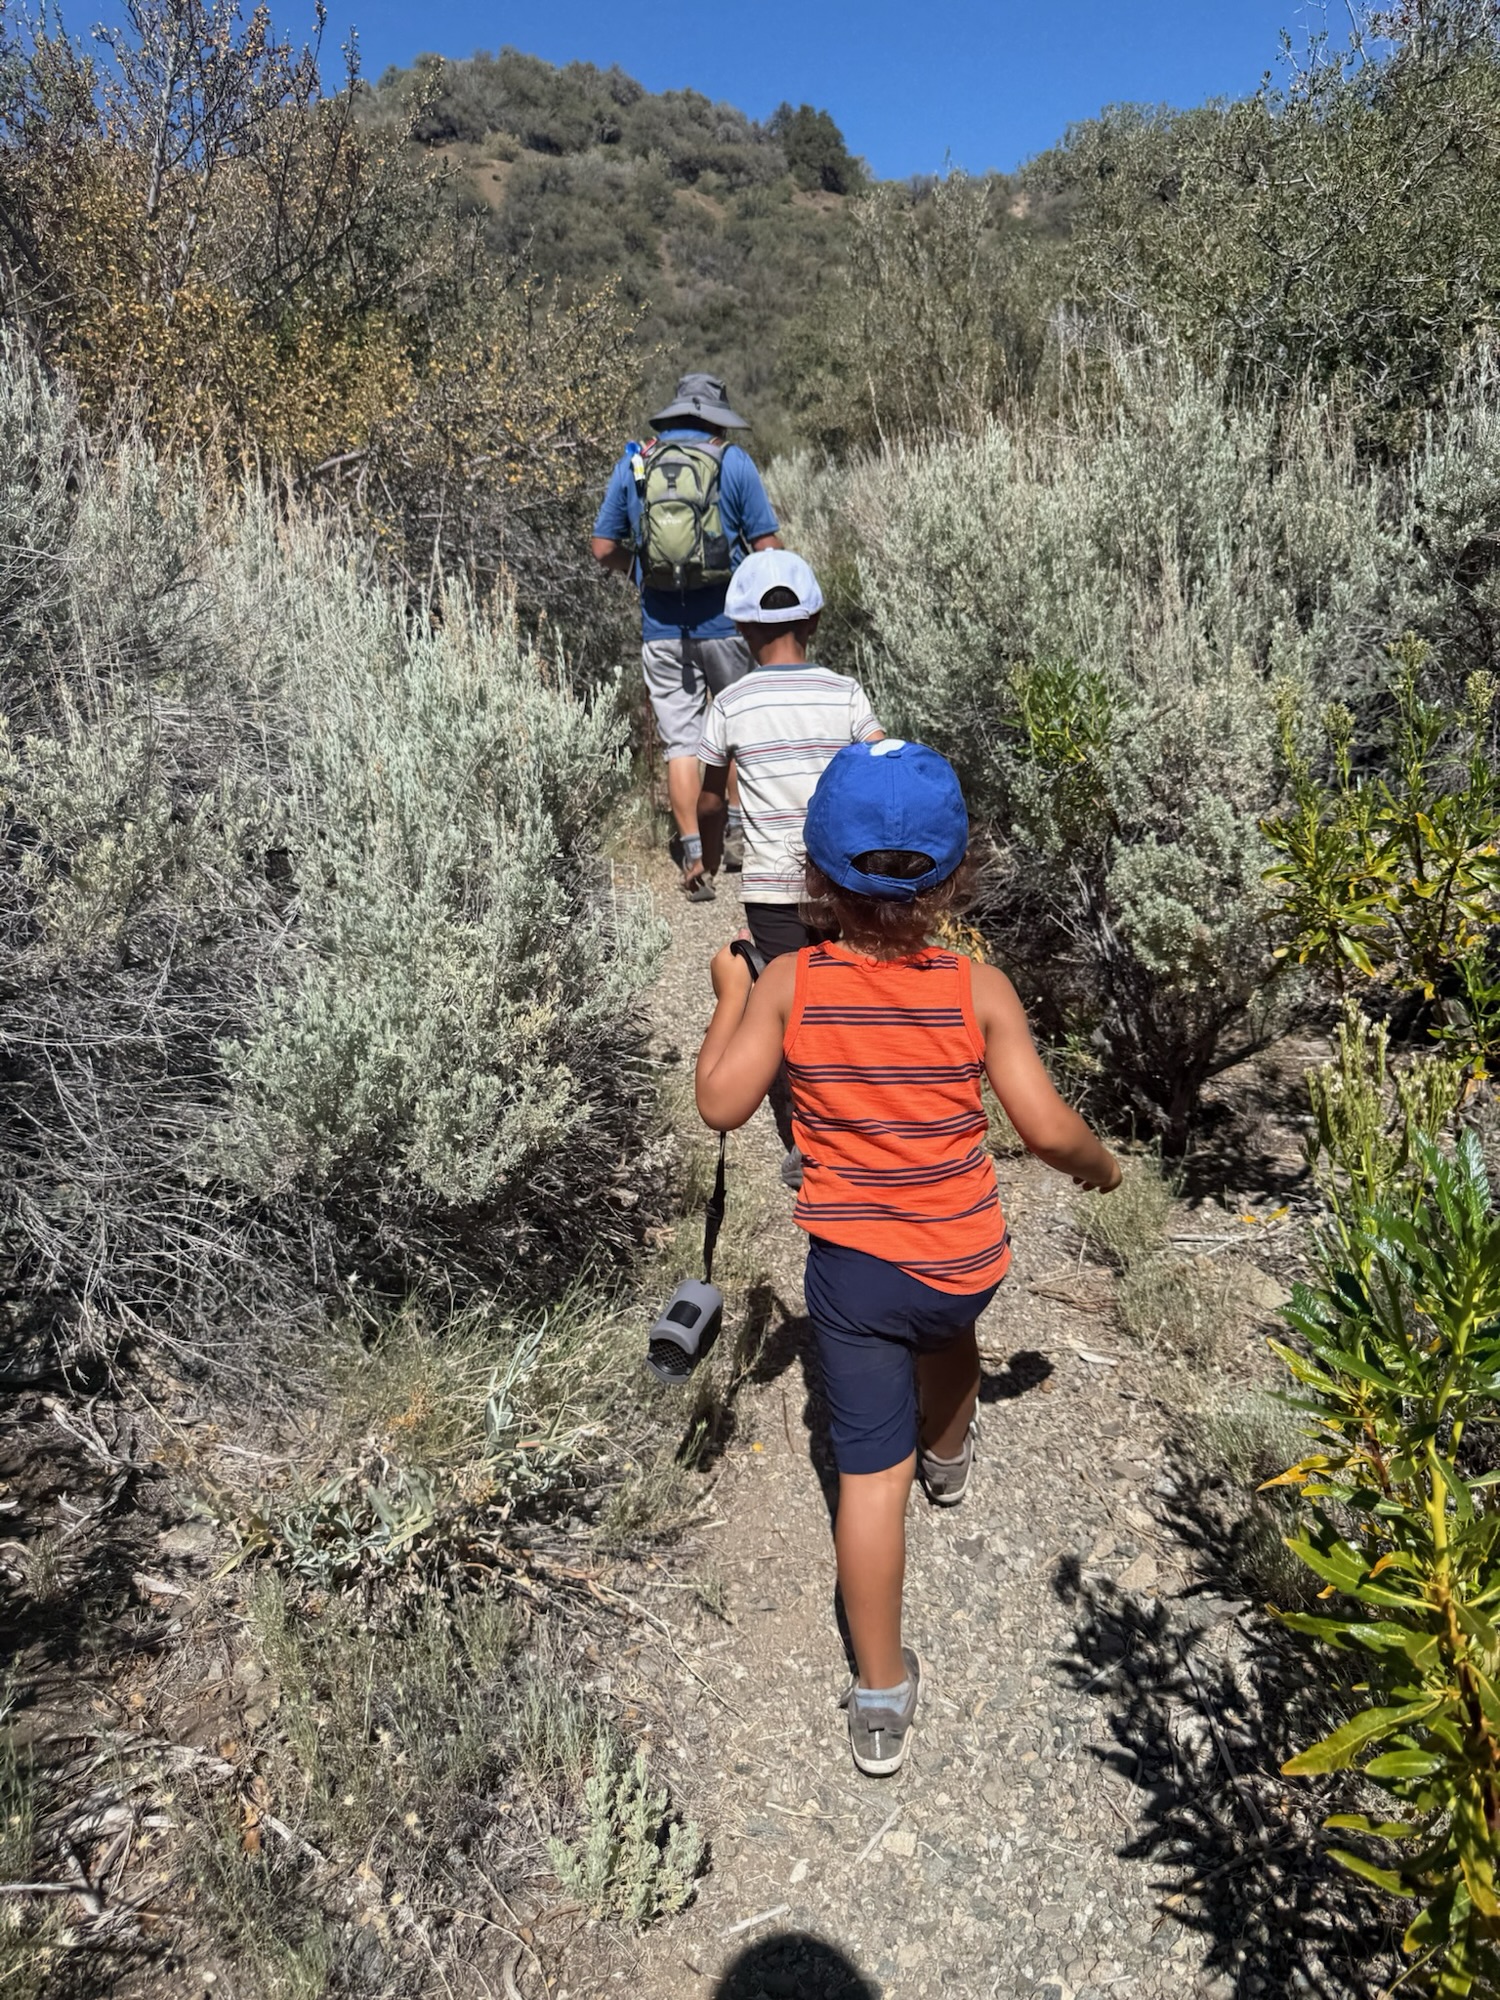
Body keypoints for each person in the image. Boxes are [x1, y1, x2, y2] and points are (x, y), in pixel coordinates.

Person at [694, 739, 1121, 1776]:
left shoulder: (789, 980)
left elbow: (720, 1100)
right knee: (955, 1336)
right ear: (955, 871)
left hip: (856, 1274)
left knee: (864, 1483)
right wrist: (1101, 1168)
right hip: (964, 1254)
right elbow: (1046, 1124)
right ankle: (953, 1455)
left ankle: (880, 1694)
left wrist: (727, 994)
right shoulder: (979, 990)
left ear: (815, 872)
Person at [697, 546, 882, 1184]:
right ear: (816, 621)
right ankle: (866, 1114)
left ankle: (804, 1137)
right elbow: (881, 771)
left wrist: (708, 852)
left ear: (742, 630)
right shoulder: (847, 694)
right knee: (854, 993)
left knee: (786, 1006)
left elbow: (712, 798)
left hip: (773, 889)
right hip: (846, 884)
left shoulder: (732, 704)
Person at [591, 372, 782, 900]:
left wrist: (641, 574)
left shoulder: (634, 465)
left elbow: (603, 546)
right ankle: (740, 837)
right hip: (727, 623)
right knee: (738, 729)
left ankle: (696, 857)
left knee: (682, 742)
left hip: (661, 628)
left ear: (673, 417)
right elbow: (768, 548)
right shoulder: (732, 462)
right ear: (713, 420)